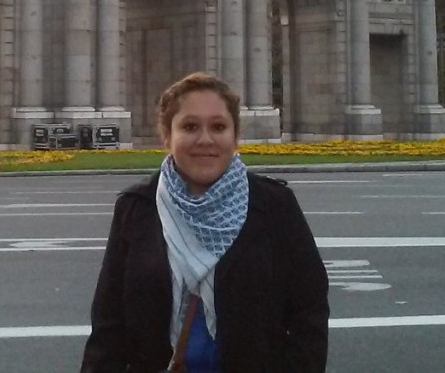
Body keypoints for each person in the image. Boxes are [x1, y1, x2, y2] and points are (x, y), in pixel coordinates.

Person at [81, 72, 329, 372]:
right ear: (167, 136)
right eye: (189, 126)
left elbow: (308, 315)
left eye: (218, 127)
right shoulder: (137, 208)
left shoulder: (275, 206)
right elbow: (109, 326)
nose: (205, 139)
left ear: (234, 135)